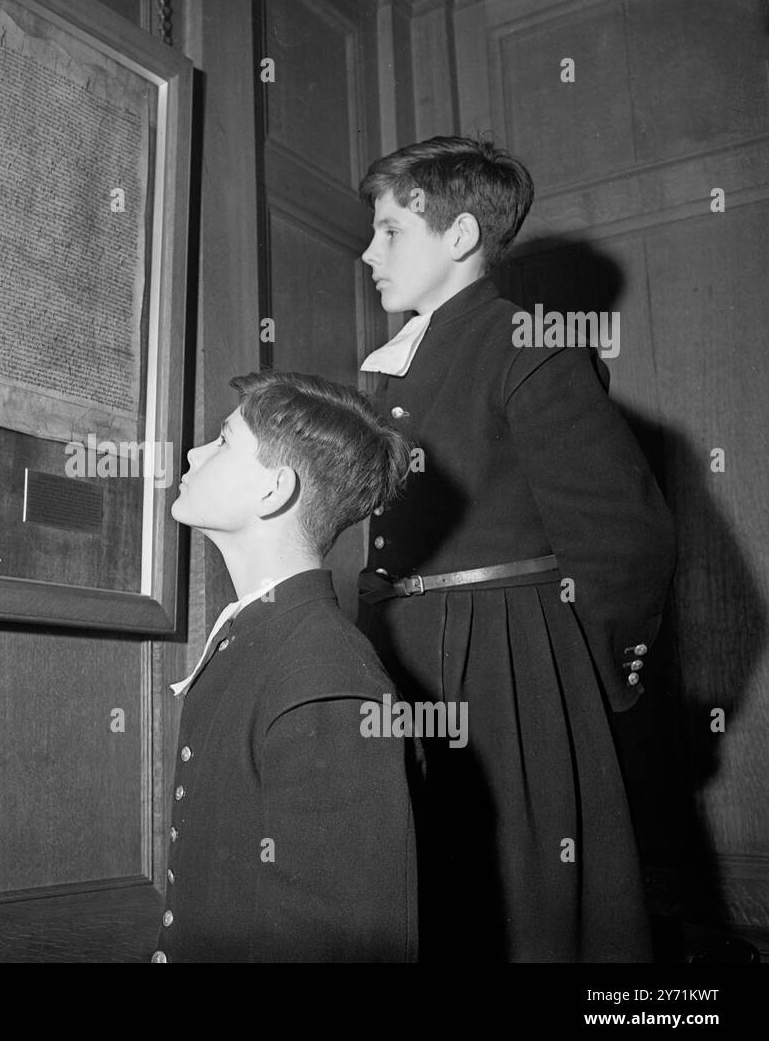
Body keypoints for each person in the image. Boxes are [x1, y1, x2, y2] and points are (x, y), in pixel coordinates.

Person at [355, 135, 676, 961]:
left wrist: (569, 679)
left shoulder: (527, 338)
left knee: (519, 909)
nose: (369, 251)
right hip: (405, 657)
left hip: (506, 657)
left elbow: (624, 537)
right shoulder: (395, 364)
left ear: (460, 235)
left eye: (391, 229)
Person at [154, 371, 417, 962]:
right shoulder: (261, 639)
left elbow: (337, 942)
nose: (193, 453)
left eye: (222, 441)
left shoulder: (328, 676)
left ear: (275, 490)